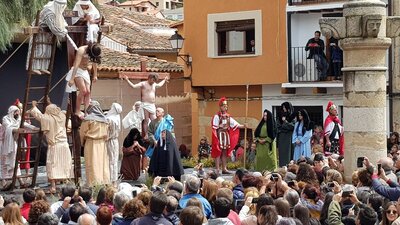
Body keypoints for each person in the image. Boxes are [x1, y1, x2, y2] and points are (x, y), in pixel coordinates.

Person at [29, 101, 72, 193]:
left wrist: (33, 106)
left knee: (52, 165)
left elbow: (39, 115)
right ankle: (65, 184)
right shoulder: (62, 117)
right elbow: (56, 110)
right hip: (64, 144)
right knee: (64, 164)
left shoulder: (47, 119)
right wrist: (49, 102)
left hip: (55, 145)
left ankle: (53, 187)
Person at [26, 0, 68, 75]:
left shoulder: (56, 11)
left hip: (47, 33)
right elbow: (54, 28)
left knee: (46, 51)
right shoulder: (49, 13)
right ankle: (33, 67)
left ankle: (43, 67)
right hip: (39, 32)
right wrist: (63, 32)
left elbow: (61, 20)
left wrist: (65, 27)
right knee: (37, 50)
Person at [124, 73, 170, 139]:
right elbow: (134, 86)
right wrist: (127, 80)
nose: (153, 82)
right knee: (146, 120)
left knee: (154, 119)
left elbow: (159, 85)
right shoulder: (143, 84)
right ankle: (146, 134)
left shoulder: (154, 84)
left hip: (152, 104)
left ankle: (156, 132)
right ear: (150, 78)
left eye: (154, 80)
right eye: (153, 80)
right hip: (145, 104)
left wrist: (164, 80)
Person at [1, 105, 36, 189]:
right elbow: (9, 128)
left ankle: (20, 182)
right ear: (12, 112)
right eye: (16, 111)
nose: (17, 113)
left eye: (18, 111)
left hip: (13, 143)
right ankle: (4, 182)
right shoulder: (6, 119)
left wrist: (35, 128)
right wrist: (16, 130)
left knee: (15, 162)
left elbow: (25, 124)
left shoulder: (18, 119)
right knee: (4, 164)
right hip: (4, 145)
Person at [66, 43, 101, 118]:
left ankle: (86, 112)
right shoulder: (81, 50)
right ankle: (77, 111)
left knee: (88, 92)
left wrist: (95, 74)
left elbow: (94, 62)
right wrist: (72, 78)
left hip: (85, 71)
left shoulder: (94, 51)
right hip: (77, 70)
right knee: (83, 91)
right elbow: (76, 64)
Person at [80, 101, 110, 186]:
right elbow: (107, 134)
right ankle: (104, 181)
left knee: (92, 163)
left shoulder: (88, 119)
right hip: (102, 144)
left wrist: (82, 142)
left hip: (91, 143)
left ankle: (93, 183)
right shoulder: (105, 120)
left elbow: (82, 132)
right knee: (102, 163)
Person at [211, 97, 244, 175]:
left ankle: (224, 168)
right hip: (219, 135)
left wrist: (243, 126)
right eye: (224, 106)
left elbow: (235, 124)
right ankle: (217, 169)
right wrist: (220, 126)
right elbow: (214, 127)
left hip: (226, 136)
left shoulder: (228, 116)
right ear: (220, 106)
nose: (225, 107)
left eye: (226, 106)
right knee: (218, 152)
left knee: (225, 152)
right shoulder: (217, 116)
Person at [105, 102, 122, 186]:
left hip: (110, 140)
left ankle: (110, 180)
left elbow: (107, 131)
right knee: (115, 161)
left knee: (110, 160)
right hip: (116, 141)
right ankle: (114, 180)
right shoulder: (117, 118)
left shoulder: (110, 119)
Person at [276, 102, 295, 167]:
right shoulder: (280, 117)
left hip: (289, 138)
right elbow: (278, 127)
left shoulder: (293, 117)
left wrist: (285, 122)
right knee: (282, 155)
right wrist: (286, 127)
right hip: (282, 138)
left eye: (285, 107)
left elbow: (293, 127)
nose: (284, 109)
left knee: (289, 154)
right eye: (283, 107)